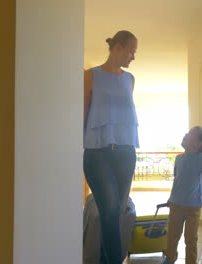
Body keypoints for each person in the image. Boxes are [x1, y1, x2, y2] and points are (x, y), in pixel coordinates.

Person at [83, 30, 138, 264]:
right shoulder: (91, 76)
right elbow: (83, 115)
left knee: (115, 215)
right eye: (131, 50)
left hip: (126, 153)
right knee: (109, 212)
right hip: (98, 153)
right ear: (118, 47)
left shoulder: (130, 79)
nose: (133, 56)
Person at [163, 126, 202, 264]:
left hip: (193, 207)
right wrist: (170, 198)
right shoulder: (179, 158)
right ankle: (169, 258)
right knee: (172, 236)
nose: (186, 134)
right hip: (176, 205)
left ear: (199, 144)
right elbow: (177, 180)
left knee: (191, 239)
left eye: (191, 134)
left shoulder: (201, 158)